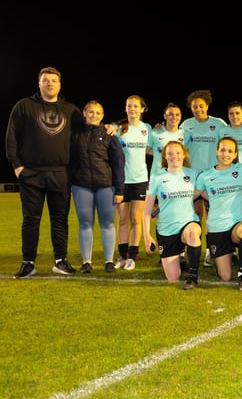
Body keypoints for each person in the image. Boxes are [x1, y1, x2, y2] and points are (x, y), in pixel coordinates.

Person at [7, 66, 82, 278]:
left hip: (60, 173)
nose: (50, 83)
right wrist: (17, 165)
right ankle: (28, 262)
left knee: (60, 218)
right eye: (46, 80)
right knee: (31, 219)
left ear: (60, 85)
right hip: (31, 172)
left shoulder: (70, 110)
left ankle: (60, 260)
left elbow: (87, 132)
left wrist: (108, 128)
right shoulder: (24, 106)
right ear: (39, 83)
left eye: (54, 81)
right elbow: (11, 136)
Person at [71, 100, 125, 274]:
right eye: (91, 112)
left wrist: (119, 189)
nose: (94, 115)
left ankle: (109, 261)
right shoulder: (75, 133)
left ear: (102, 116)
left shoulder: (109, 133)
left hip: (105, 186)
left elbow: (118, 162)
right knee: (85, 223)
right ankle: (87, 261)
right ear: (84, 113)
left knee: (107, 224)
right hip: (81, 185)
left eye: (98, 113)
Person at [142, 141, 202, 287]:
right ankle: (180, 255)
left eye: (177, 152)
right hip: (166, 230)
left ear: (183, 155)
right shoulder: (157, 177)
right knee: (173, 278)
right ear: (164, 156)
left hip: (188, 223)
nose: (174, 156)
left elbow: (208, 192)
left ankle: (193, 277)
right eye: (170, 153)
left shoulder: (192, 174)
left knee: (193, 233)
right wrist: (146, 235)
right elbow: (146, 211)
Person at [195, 136, 242, 283]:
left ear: (235, 154)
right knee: (225, 276)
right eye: (222, 150)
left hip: (236, 224)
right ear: (216, 151)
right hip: (216, 227)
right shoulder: (205, 175)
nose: (225, 154)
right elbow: (193, 194)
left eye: (229, 151)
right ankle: (223, 258)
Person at [114, 95, 153, 271]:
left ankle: (132, 255)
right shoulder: (118, 128)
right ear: (125, 108)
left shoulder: (147, 129)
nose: (132, 109)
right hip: (121, 180)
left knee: (135, 219)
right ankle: (122, 255)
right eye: (129, 106)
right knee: (122, 219)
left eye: (135, 106)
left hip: (139, 179)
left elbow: (155, 148)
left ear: (142, 109)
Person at [181, 90, 227, 229]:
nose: (198, 109)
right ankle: (193, 244)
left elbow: (229, 140)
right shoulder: (186, 124)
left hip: (212, 174)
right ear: (190, 107)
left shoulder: (219, 124)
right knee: (194, 212)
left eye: (201, 105)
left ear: (207, 106)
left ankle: (210, 249)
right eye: (195, 106)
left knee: (212, 213)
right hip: (193, 174)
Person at [149, 103, 184, 176]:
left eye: (177, 114)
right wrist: (158, 152)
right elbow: (146, 150)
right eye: (171, 114)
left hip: (178, 176)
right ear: (165, 116)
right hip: (157, 176)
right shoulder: (155, 132)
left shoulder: (186, 135)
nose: (174, 117)